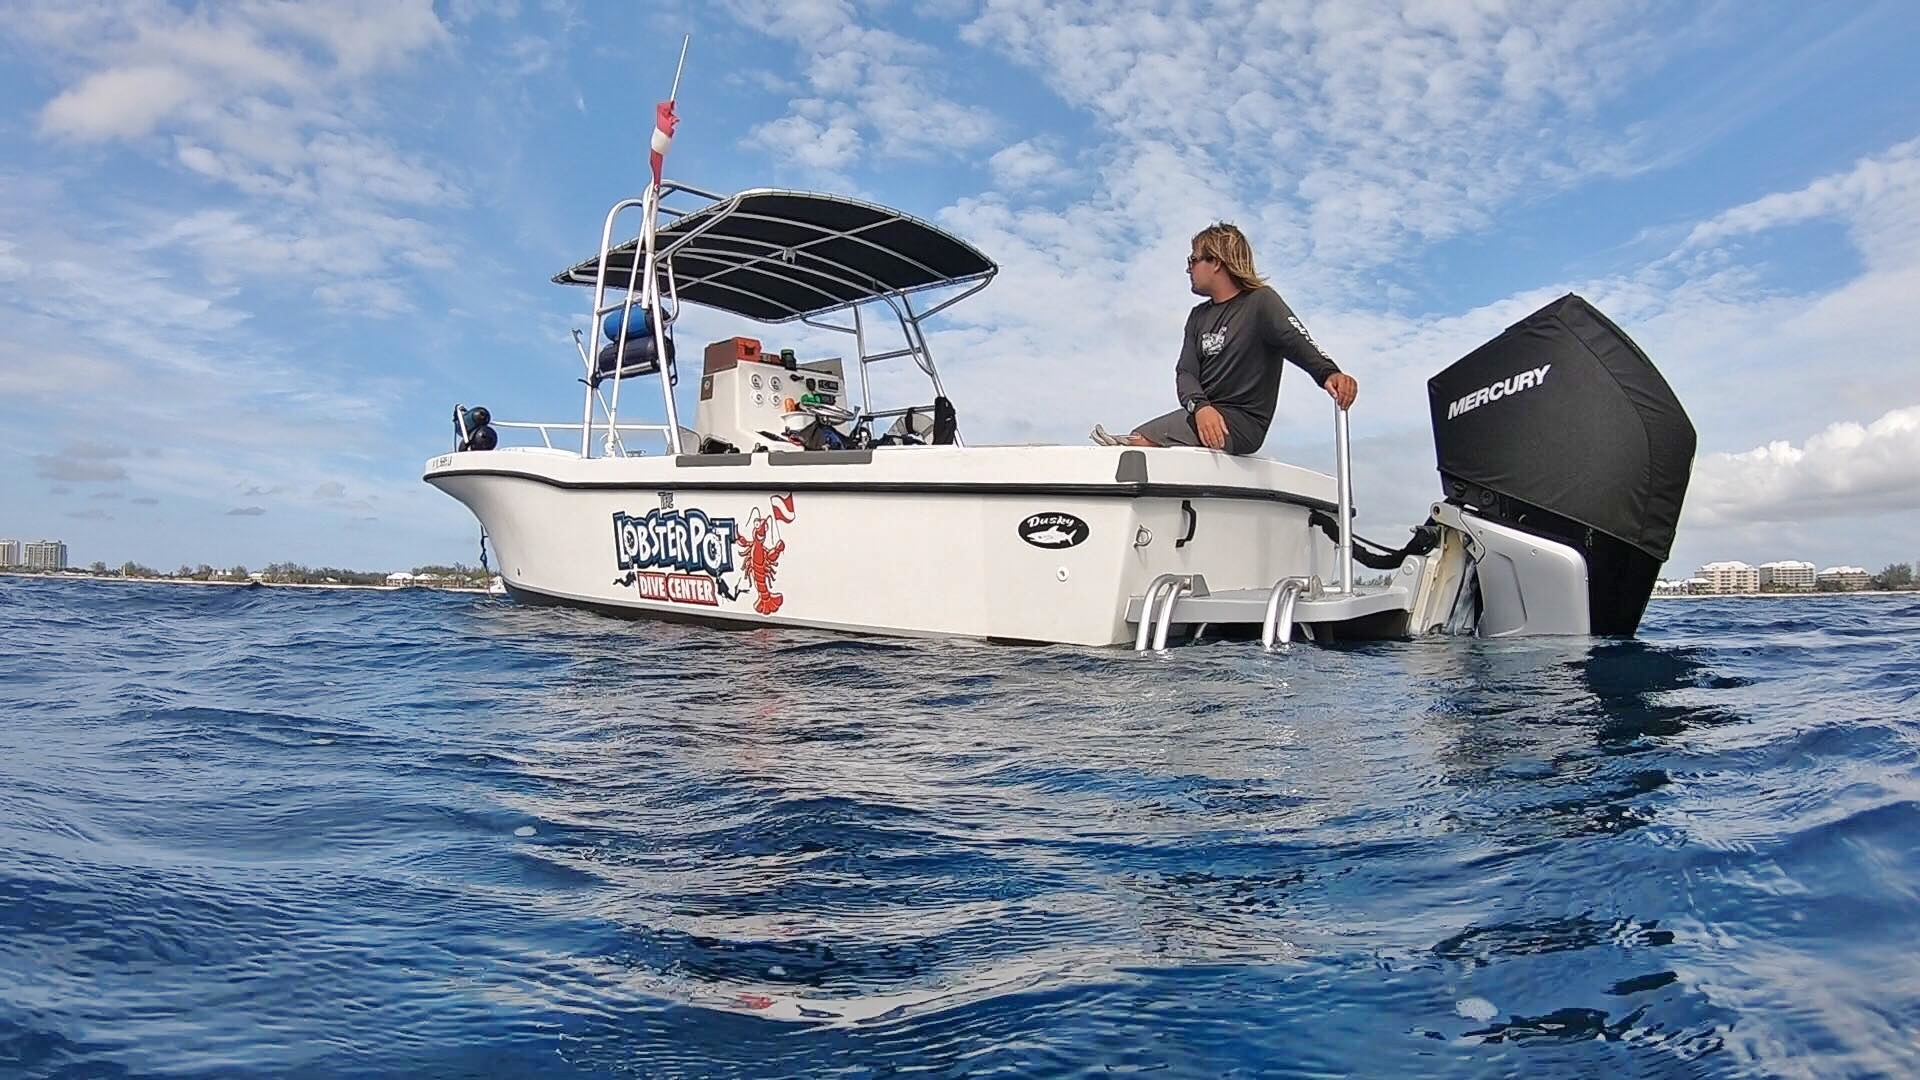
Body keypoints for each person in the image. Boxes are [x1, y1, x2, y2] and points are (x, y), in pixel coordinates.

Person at [1093, 222, 1358, 454]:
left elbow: (1296, 339)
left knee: (1141, 445)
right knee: (1137, 439)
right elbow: (1186, 372)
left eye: (1193, 260)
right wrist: (1200, 408)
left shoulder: (1261, 303)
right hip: (1203, 412)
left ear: (1216, 262)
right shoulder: (1198, 317)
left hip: (1243, 421)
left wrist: (1329, 373)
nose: (1188, 270)